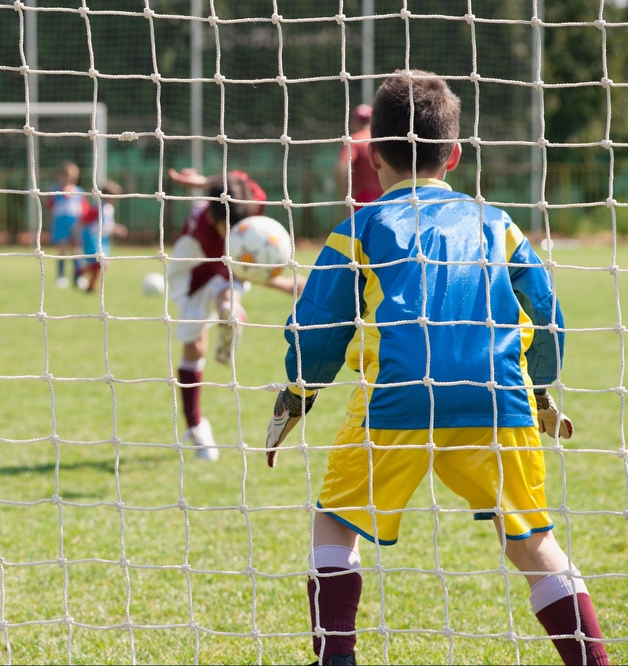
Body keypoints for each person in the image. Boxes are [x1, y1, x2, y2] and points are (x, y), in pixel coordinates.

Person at [264, 71, 608, 666]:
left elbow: (319, 325)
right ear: (453, 155)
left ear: (372, 157)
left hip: (396, 400)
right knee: (530, 540)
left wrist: (298, 393)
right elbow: (545, 311)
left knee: (336, 524)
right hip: (496, 397)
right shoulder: (498, 224)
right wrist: (542, 389)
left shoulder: (359, 229)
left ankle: (336, 659)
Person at [169, 172, 303, 462]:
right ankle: (229, 310)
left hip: (225, 268)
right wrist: (288, 283)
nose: (228, 233)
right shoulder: (206, 234)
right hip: (191, 268)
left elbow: (230, 180)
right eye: (224, 228)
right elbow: (242, 270)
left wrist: (202, 182)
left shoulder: (251, 199)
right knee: (199, 336)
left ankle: (196, 425)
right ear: (212, 219)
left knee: (198, 341)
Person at [75, 181, 128, 292]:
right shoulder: (97, 208)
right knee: (102, 263)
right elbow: (85, 221)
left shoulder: (109, 208)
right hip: (92, 238)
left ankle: (89, 284)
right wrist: (76, 234)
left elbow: (107, 225)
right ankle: (81, 272)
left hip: (103, 239)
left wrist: (116, 228)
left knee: (101, 265)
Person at [333, 104, 383, 216]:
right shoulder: (382, 140)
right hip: (385, 197)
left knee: (356, 232)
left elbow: (341, 168)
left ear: (354, 122)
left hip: (361, 199)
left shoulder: (354, 140)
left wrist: (345, 193)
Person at [46, 162, 85, 289]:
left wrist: (81, 224)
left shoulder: (79, 191)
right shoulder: (55, 190)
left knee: (76, 251)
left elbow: (84, 208)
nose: (70, 178)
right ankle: (61, 277)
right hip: (60, 223)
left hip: (75, 223)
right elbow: (50, 206)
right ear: (61, 175)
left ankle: (78, 278)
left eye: (74, 176)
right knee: (61, 250)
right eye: (67, 175)